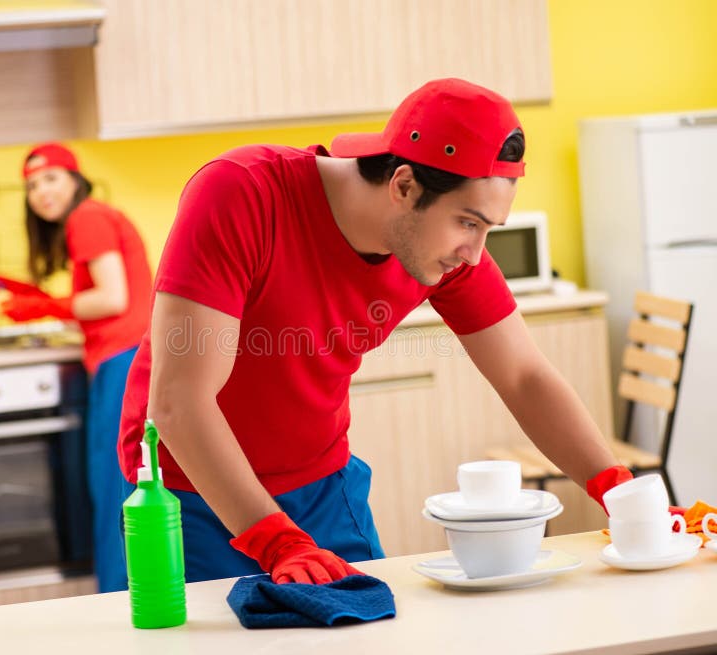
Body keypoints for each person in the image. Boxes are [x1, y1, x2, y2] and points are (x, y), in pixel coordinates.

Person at [117, 78, 632, 585]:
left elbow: (523, 376)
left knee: (378, 626)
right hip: (192, 493)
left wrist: (621, 494)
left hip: (322, 484)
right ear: (404, 186)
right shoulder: (242, 193)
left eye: (486, 228)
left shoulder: (441, 250)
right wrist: (275, 540)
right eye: (468, 223)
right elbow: (180, 401)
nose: (475, 255)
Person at [0, 143, 153, 592]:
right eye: (32, 186)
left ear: (75, 180)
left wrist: (42, 307)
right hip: (126, 359)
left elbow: (112, 298)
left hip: (123, 362)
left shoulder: (87, 217)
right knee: (121, 485)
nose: (41, 192)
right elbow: (103, 298)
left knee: (113, 489)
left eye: (51, 178)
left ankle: (118, 598)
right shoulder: (95, 216)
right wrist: (34, 298)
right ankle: (125, 593)